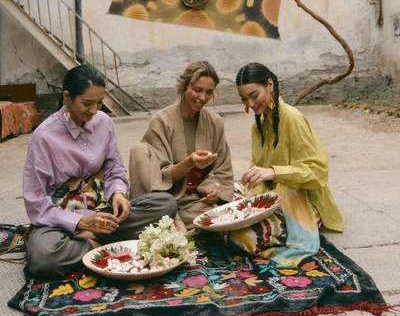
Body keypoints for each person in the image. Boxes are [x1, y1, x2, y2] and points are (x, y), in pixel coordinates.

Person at [23, 64, 177, 280]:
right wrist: (81, 223)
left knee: (165, 204)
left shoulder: (104, 123)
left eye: (100, 103)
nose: (94, 111)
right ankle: (99, 242)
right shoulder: (44, 137)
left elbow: (115, 169)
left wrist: (118, 195)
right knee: (44, 258)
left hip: (104, 215)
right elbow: (36, 203)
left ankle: (86, 242)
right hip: (60, 222)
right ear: (67, 97)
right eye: (87, 103)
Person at [231, 62, 343, 265]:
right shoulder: (259, 124)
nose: (250, 104)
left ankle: (296, 229)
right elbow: (259, 166)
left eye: (254, 96)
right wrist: (250, 182)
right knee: (227, 201)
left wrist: (274, 173)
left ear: (270, 84)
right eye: (244, 99)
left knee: (244, 237)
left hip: (301, 200)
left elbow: (318, 172)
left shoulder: (292, 118)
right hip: (275, 195)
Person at [129, 61, 234, 229]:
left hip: (196, 202)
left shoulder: (215, 123)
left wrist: (213, 189)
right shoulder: (161, 121)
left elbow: (223, 169)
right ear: (183, 85)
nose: (202, 98)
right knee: (139, 152)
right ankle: (170, 221)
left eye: (209, 92)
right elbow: (158, 177)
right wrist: (189, 163)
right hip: (168, 200)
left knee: (225, 216)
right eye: (197, 90)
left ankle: (171, 224)